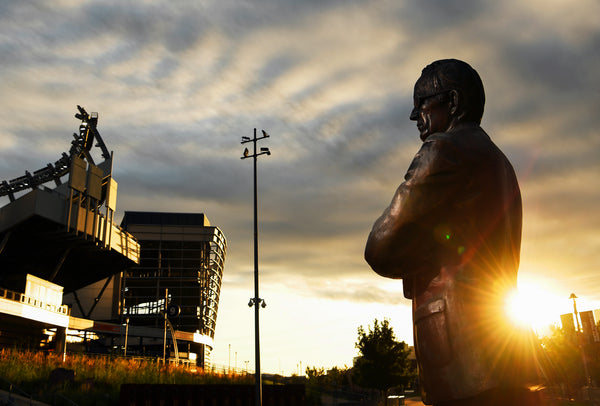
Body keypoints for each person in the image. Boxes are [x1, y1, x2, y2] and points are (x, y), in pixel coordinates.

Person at [365, 59, 541, 405]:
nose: (416, 117)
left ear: (454, 102)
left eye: (423, 104)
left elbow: (381, 247)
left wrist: (419, 253)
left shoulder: (444, 151)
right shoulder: (499, 161)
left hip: (464, 363)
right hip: (508, 353)